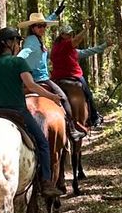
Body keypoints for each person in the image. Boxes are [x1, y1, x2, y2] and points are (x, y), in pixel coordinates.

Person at [0, 27, 65, 199]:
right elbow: (33, 86)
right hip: (17, 111)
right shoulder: (19, 63)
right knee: (42, 143)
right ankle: (46, 182)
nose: (19, 45)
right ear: (9, 43)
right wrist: (52, 97)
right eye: (17, 42)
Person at [17, 13, 84, 143]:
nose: (42, 28)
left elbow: (46, 21)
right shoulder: (32, 41)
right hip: (40, 78)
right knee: (63, 98)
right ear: (33, 27)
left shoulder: (36, 39)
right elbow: (25, 53)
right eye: (39, 26)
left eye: (44, 26)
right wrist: (15, 61)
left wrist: (54, 14)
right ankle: (72, 128)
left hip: (34, 77)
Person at [50, 20, 106, 127]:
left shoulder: (57, 47)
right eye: (68, 34)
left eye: (71, 34)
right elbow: (76, 40)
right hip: (73, 76)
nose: (70, 36)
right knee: (88, 94)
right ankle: (94, 117)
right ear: (62, 35)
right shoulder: (65, 45)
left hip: (56, 78)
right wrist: (86, 29)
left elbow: (87, 51)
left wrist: (104, 46)